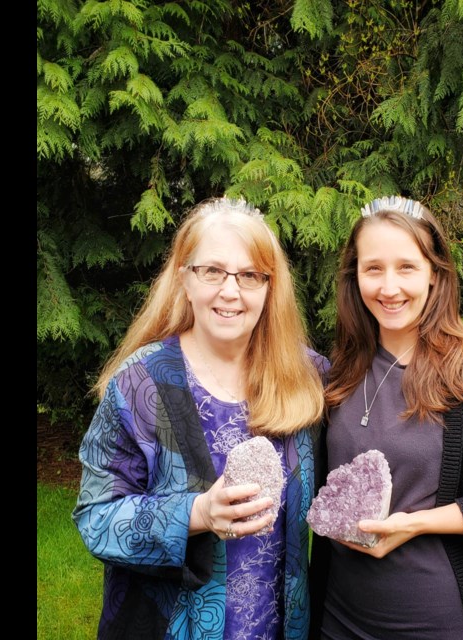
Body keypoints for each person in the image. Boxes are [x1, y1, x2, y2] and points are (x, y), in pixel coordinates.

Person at [73, 197, 328, 640]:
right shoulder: (141, 384)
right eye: (212, 271)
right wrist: (197, 512)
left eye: (249, 275)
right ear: (183, 279)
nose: (230, 291)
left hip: (281, 626)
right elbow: (95, 517)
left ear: (270, 287)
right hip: (169, 626)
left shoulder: (304, 380)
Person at [310, 196, 463, 640]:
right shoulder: (341, 371)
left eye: (407, 267)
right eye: (373, 269)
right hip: (339, 618)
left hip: (435, 619)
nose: (389, 287)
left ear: (435, 274)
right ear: (354, 277)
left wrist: (416, 523)